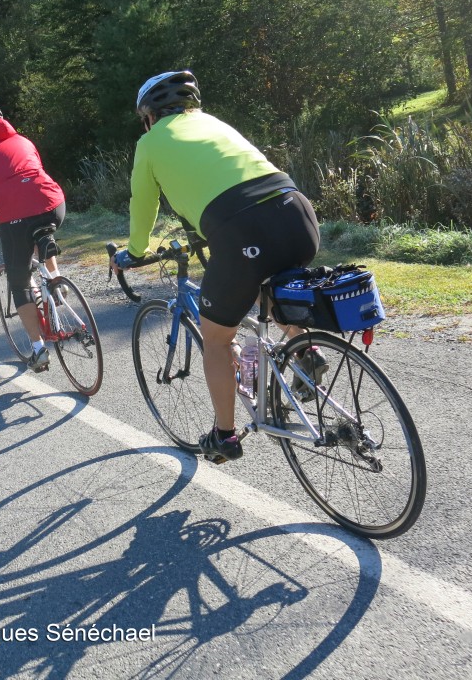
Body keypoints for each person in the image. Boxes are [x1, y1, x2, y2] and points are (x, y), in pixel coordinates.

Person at [111, 70, 323, 463]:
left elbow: (144, 205)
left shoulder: (150, 142)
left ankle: (224, 435)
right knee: (271, 281)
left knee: (217, 338)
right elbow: (222, 181)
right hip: (297, 213)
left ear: (149, 115)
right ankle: (305, 350)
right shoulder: (212, 123)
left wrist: (135, 252)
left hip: (244, 229)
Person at [0, 100, 66, 372]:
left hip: (16, 217)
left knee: (19, 284)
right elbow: (35, 169)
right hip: (54, 203)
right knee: (43, 235)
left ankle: (39, 349)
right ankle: (56, 282)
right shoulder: (23, 141)